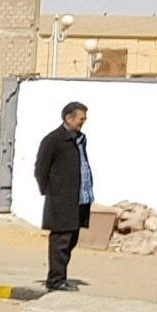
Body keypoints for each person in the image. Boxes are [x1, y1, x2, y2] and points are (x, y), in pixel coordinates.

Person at [34, 101, 93, 290]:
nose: (83, 122)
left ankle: (60, 277)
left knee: (71, 240)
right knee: (61, 241)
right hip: (62, 201)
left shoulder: (80, 140)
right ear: (69, 118)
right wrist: (52, 193)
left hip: (79, 200)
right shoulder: (53, 140)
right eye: (80, 119)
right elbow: (41, 170)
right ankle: (56, 280)